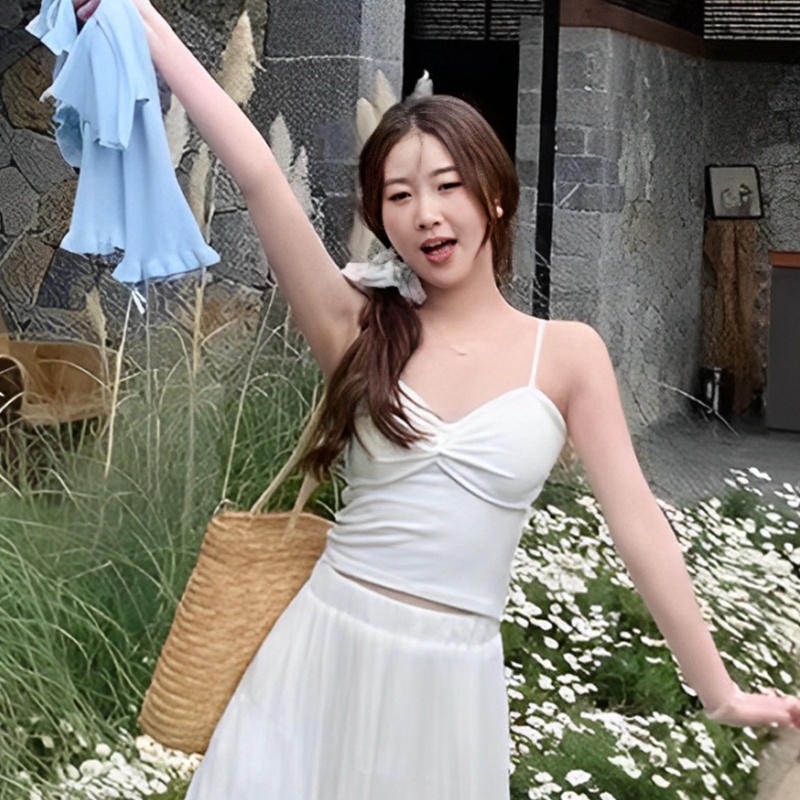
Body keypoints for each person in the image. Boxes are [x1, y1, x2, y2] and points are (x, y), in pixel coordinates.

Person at [70, 1, 800, 797]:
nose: (426, 214)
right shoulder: (356, 323)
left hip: (451, 693)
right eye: (398, 195)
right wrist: (144, 22)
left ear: (494, 196)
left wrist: (719, 691)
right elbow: (259, 173)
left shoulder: (567, 355)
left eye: (448, 185)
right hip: (321, 658)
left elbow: (641, 527)